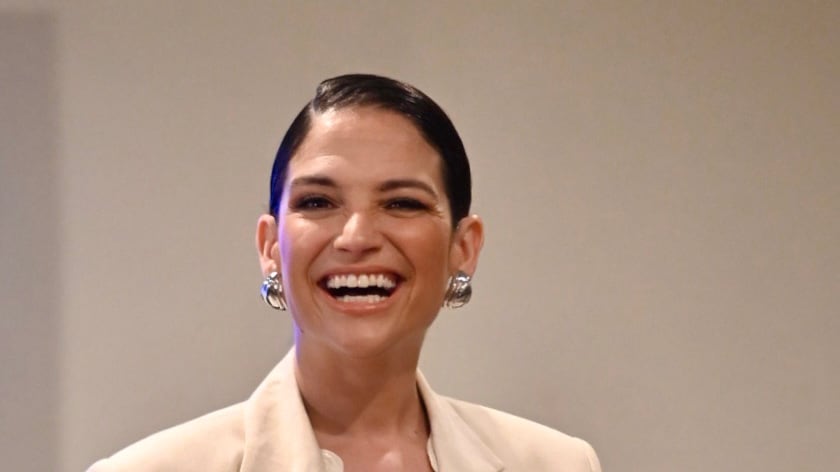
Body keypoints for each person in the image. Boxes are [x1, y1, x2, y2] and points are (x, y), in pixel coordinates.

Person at [88, 74, 601, 471]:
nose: (356, 237)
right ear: (271, 246)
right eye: (318, 201)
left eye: (401, 203)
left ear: (463, 248)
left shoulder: (557, 464)